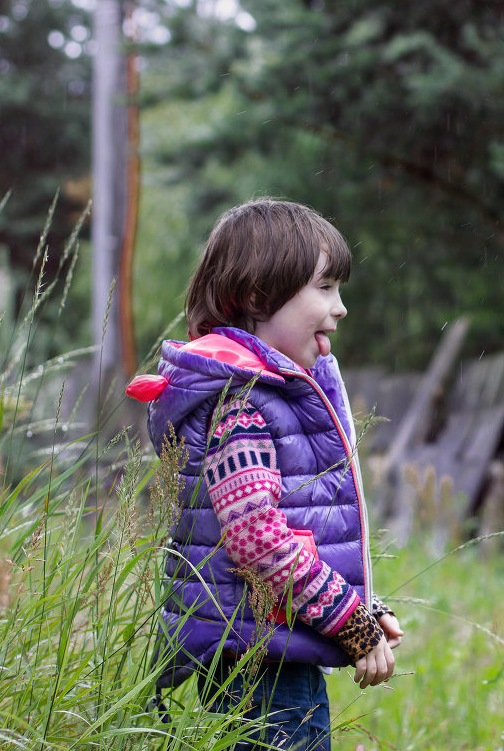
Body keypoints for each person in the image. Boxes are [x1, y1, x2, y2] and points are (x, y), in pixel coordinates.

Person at [126, 199, 403, 750]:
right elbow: (256, 539)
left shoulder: (266, 396)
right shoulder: (244, 406)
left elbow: (292, 533)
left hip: (266, 653)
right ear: (257, 297)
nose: (340, 307)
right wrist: (349, 621)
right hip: (264, 674)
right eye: (325, 288)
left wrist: (362, 605)